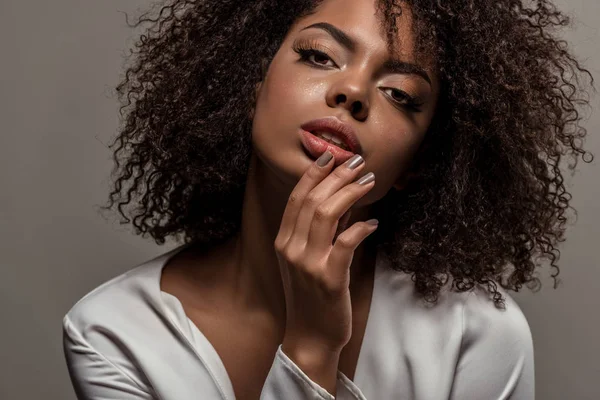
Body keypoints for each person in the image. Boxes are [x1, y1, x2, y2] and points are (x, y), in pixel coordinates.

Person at [62, 0, 595, 399]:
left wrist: (314, 343)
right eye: (319, 56)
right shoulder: (114, 332)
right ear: (250, 82)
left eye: (400, 95)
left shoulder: (476, 334)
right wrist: (310, 346)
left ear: (417, 165)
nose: (353, 92)